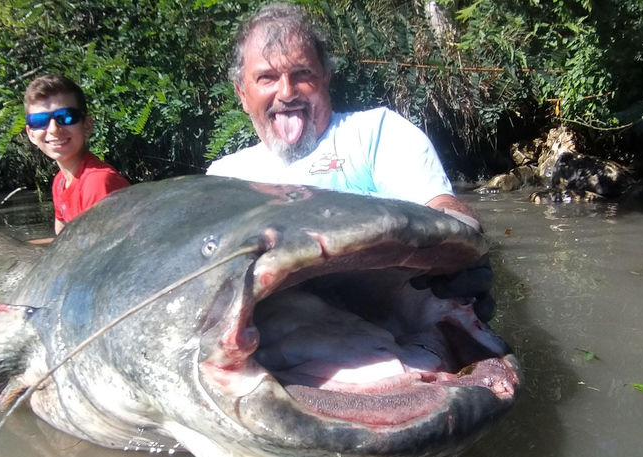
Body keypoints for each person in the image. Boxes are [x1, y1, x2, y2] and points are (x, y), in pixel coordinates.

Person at [207, 2, 495, 321]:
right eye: (267, 78)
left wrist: (464, 242)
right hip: (280, 332)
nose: (287, 92)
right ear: (242, 94)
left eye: (302, 74)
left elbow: (440, 205)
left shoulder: (377, 133)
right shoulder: (223, 179)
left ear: (326, 77)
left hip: (391, 319)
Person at [24, 74, 130, 235]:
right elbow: (61, 242)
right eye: (39, 121)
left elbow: (105, 251)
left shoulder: (98, 183)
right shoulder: (60, 182)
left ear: (86, 126)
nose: (53, 129)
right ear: (31, 133)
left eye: (66, 117)